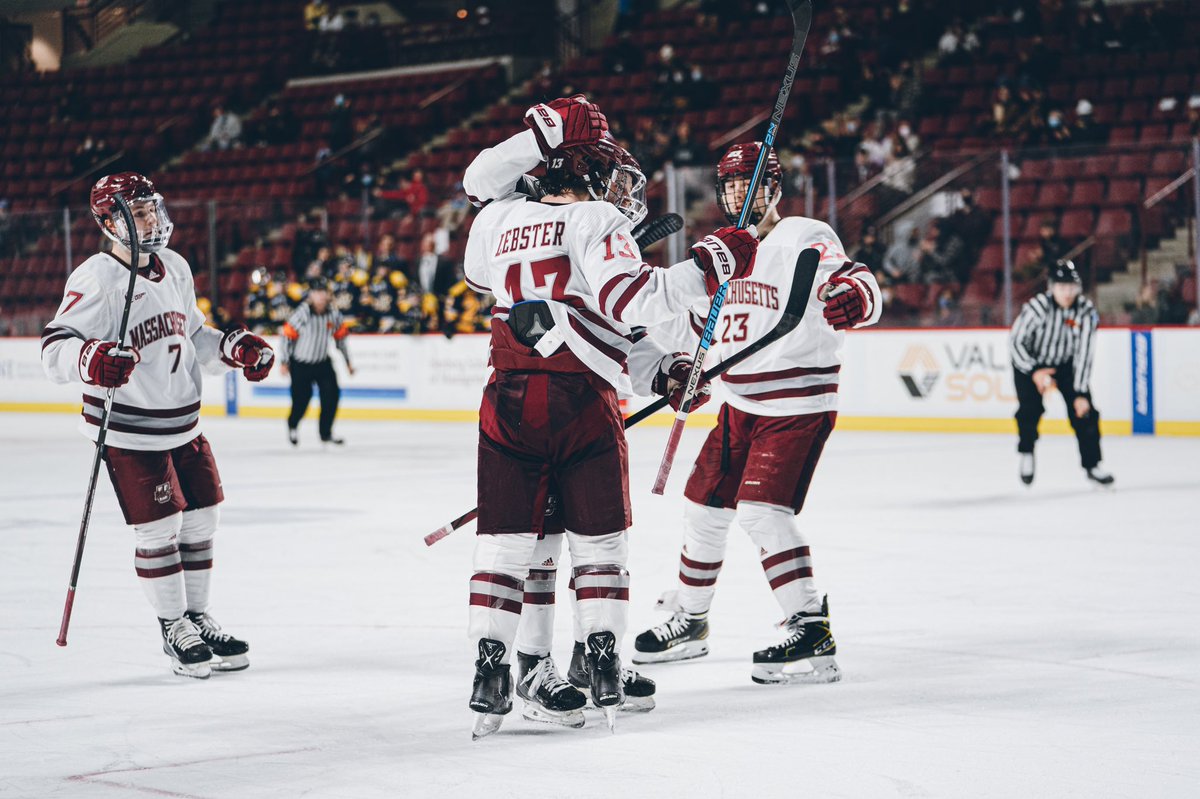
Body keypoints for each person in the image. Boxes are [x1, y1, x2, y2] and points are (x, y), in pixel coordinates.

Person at [460, 95, 757, 737]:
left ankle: (494, 667)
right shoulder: (596, 218)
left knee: (512, 544)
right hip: (580, 403)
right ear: (579, 165)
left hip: (506, 398)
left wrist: (664, 371)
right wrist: (712, 266)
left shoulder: (496, 219)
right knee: (600, 544)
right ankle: (600, 664)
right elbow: (634, 300)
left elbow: (587, 313)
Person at [628, 142, 881, 685]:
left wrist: (855, 299)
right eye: (734, 184)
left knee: (763, 513)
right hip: (738, 404)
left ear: (775, 188)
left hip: (796, 404)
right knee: (702, 508)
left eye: (754, 182)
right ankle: (690, 621)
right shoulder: (720, 252)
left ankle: (811, 630)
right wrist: (672, 359)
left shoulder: (804, 235)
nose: (744, 193)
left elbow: (856, 279)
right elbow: (694, 330)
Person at [40, 172, 273, 678]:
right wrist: (90, 358)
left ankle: (197, 616)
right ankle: (173, 626)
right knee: (159, 529)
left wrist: (231, 347)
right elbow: (54, 346)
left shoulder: (176, 266)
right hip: (128, 429)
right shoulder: (97, 277)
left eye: (151, 208)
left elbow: (189, 333)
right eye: (138, 212)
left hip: (184, 423)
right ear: (109, 222)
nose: (151, 219)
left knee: (203, 518)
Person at [1009, 260, 1113, 487]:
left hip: (1065, 365)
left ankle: (1092, 465)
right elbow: (1016, 343)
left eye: (1071, 288)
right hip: (1030, 363)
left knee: (1085, 413)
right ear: (1051, 287)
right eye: (1062, 287)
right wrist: (1035, 371)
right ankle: (1027, 452)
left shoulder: (1084, 311)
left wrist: (1080, 392)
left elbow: (1085, 352)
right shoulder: (1037, 308)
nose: (1067, 293)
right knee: (1029, 410)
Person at [279, 277, 354, 446]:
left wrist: (348, 362)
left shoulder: (334, 314)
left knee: (331, 396)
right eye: (316, 292)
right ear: (311, 295)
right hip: (301, 364)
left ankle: (325, 433)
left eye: (322, 292)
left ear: (327, 294)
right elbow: (286, 337)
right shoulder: (302, 313)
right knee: (301, 401)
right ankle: (292, 425)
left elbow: (341, 340)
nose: (320, 296)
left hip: (322, 362)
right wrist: (284, 361)